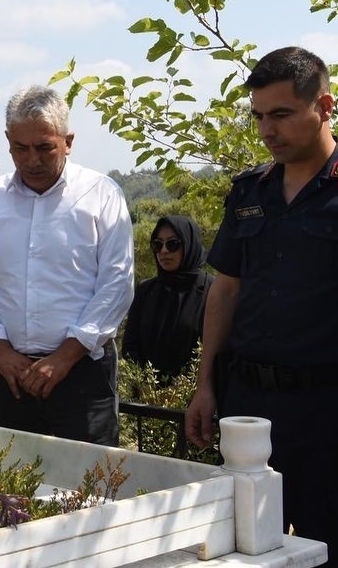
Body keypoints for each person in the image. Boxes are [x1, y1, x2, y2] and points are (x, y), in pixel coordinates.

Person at [186, 46, 338, 561]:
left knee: (324, 542)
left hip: (326, 407)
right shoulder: (251, 191)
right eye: (257, 117)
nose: (266, 130)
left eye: (281, 115)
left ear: (325, 106)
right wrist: (206, 385)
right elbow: (224, 291)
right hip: (249, 403)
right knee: (239, 545)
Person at [0, 85, 133, 446]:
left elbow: (116, 284)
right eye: (20, 149)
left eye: (44, 148)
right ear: (8, 140)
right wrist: (0, 351)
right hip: (11, 376)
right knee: (8, 486)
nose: (32, 160)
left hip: (82, 374)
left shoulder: (101, 194)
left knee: (89, 488)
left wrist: (65, 357)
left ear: (67, 141)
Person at [122, 215, 213, 379]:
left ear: (189, 244)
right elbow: (130, 346)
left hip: (196, 397)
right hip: (144, 396)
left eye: (173, 244)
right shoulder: (146, 290)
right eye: (157, 245)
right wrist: (146, 385)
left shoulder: (211, 291)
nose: (163, 251)